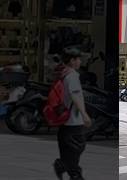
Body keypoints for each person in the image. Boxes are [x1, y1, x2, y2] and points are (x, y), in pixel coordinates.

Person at [53, 47, 92, 180]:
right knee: (76, 150)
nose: (80, 62)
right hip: (74, 122)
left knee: (69, 152)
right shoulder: (72, 76)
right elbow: (75, 96)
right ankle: (69, 170)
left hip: (65, 122)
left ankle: (62, 165)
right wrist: (85, 115)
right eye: (78, 59)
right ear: (72, 60)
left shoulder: (63, 73)